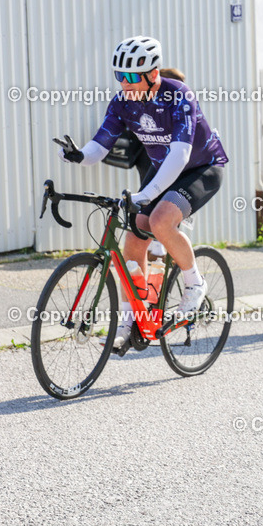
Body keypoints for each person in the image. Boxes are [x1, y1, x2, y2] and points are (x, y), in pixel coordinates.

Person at [58, 36, 227, 350]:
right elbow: (101, 143)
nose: (125, 83)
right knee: (134, 240)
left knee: (161, 221)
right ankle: (130, 317)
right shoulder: (122, 102)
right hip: (162, 165)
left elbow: (181, 155)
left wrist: (146, 195)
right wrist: (80, 155)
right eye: (120, 76)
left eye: (132, 76)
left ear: (153, 73)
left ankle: (194, 283)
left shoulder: (178, 95)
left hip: (200, 165)